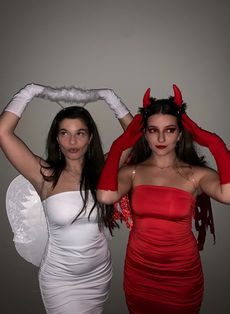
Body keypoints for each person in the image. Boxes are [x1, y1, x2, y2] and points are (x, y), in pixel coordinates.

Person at [97, 85, 230, 314]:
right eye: (153, 130)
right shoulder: (133, 172)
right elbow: (105, 195)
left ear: (180, 133)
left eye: (170, 130)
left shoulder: (196, 174)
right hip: (140, 275)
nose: (161, 138)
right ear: (145, 133)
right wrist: (119, 145)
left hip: (181, 277)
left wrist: (213, 141)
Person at [0, 83, 132, 314]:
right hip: (61, 280)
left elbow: (137, 135)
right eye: (65, 133)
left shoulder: (104, 171)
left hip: (99, 274)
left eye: (80, 133)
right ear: (57, 139)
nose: (72, 142)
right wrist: (30, 91)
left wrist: (110, 97)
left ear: (90, 138)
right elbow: (3, 132)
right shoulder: (44, 175)